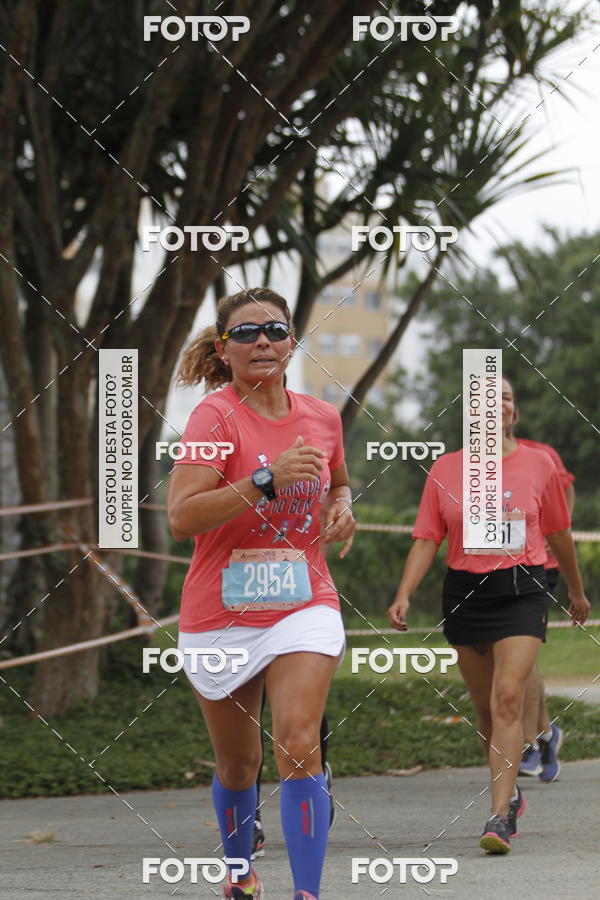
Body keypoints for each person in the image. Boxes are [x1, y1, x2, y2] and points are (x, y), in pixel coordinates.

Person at [167, 287, 355, 899]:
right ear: (224, 351)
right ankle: (240, 871)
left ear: (292, 340)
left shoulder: (323, 417)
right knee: (238, 765)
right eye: (245, 334)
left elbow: (338, 483)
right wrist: (264, 479)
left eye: (274, 330)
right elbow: (182, 517)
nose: (263, 342)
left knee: (299, 743)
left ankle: (307, 893)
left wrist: (341, 508)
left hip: (304, 601)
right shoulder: (212, 418)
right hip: (221, 613)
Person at [387, 377, 589, 854]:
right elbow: (426, 538)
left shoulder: (539, 464)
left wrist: (576, 592)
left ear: (514, 412)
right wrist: (404, 594)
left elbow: (560, 534)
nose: (496, 403)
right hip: (465, 594)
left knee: (506, 700)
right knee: (483, 709)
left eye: (505, 397)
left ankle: (498, 816)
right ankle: (511, 791)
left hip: (524, 590)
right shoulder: (445, 469)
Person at [515, 436, 575, 782]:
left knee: (521, 650)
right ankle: (546, 732)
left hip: (539, 565)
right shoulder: (466, 462)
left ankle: (529, 744)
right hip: (486, 568)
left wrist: (553, 534)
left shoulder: (541, 455)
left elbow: (565, 494)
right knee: (498, 654)